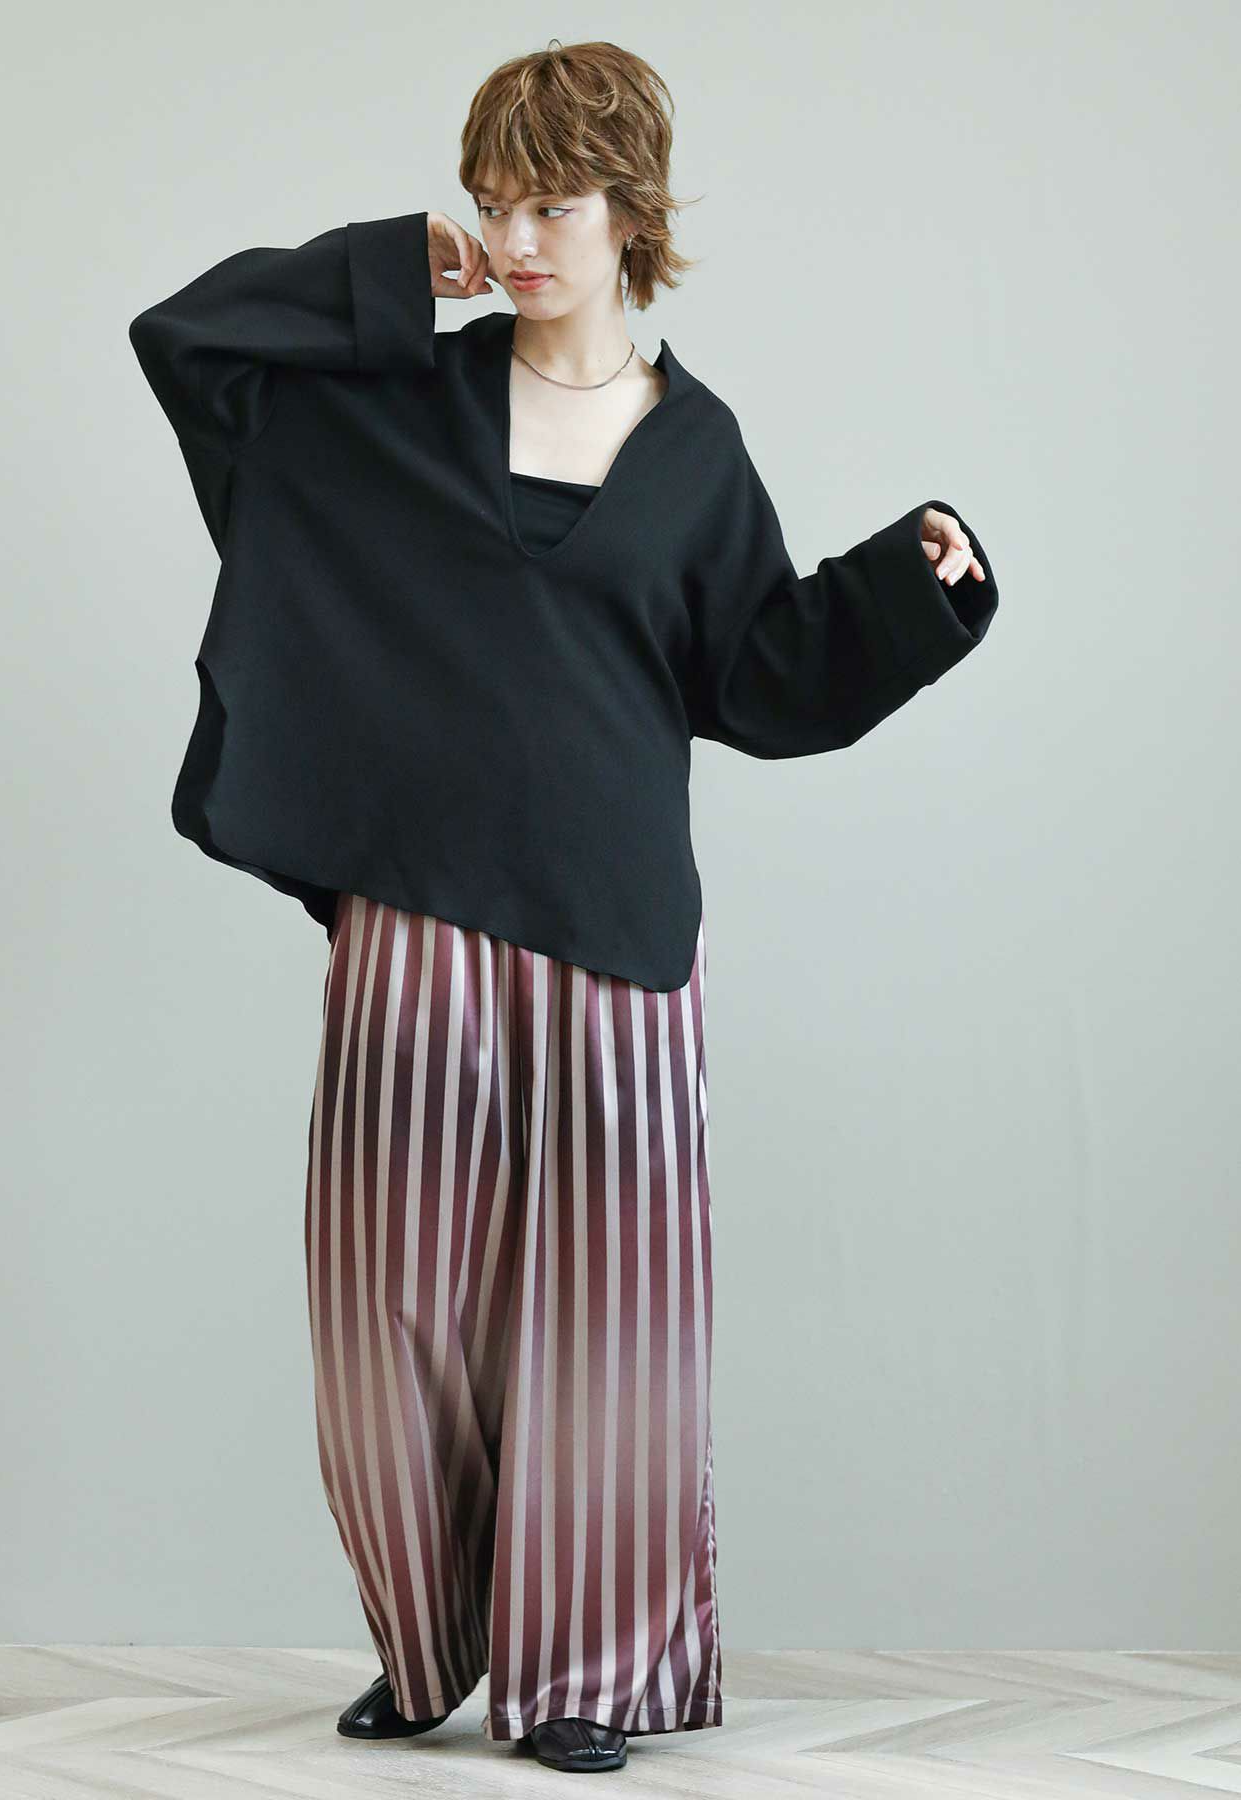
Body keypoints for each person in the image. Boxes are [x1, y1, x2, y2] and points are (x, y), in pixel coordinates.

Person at [128, 39, 997, 1777]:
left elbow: (761, 676)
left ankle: (586, 1672)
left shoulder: (697, 452)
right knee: (384, 1310)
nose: (518, 240)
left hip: (612, 935)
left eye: (554, 206)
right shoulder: (397, 397)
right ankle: (427, 1642)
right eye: (496, 204)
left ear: (631, 215)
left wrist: (911, 586)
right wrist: (385, 275)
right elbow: (189, 344)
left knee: (608, 1327)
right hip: (415, 913)